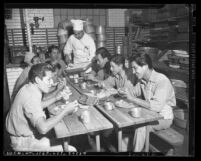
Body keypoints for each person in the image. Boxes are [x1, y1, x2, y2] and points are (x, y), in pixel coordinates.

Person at [6, 63, 78, 152]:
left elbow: (38, 106)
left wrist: (56, 98)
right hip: (22, 141)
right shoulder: (31, 97)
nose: (51, 83)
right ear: (37, 80)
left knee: (63, 134)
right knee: (72, 150)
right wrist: (65, 111)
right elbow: (43, 128)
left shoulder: (29, 87)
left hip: (20, 134)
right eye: (48, 80)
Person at [121, 52, 176, 152]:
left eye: (135, 68)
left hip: (164, 118)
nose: (133, 72)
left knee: (141, 127)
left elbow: (156, 107)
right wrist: (124, 92)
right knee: (125, 120)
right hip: (149, 114)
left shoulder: (162, 81)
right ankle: (126, 149)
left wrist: (132, 99)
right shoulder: (142, 81)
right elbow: (133, 92)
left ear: (145, 66)